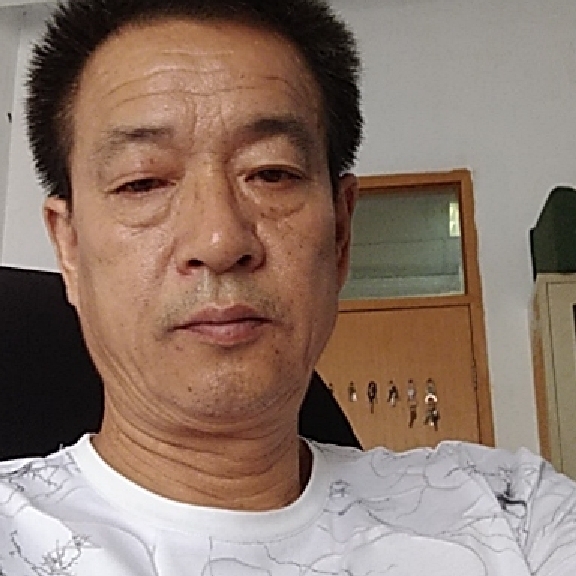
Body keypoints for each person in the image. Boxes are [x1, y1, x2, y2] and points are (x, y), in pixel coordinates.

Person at [1, 0, 576, 573]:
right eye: (143, 181)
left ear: (341, 232)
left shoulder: (514, 515)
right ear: (69, 247)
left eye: (271, 173)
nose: (220, 239)